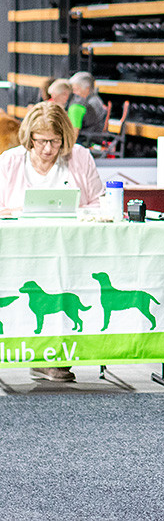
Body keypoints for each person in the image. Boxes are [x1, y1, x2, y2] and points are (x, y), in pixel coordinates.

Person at [0, 102, 104, 383]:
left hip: (70, 250)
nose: (48, 149)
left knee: (64, 292)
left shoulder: (80, 157)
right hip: (20, 250)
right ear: (29, 137)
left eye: (55, 142)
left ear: (65, 138)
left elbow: (99, 203)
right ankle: (38, 354)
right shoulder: (9, 161)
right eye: (41, 141)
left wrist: (77, 211)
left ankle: (54, 356)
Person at [68, 71, 108, 139]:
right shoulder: (86, 100)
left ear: (87, 89)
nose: (74, 93)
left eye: (76, 89)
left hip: (89, 140)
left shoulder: (93, 103)